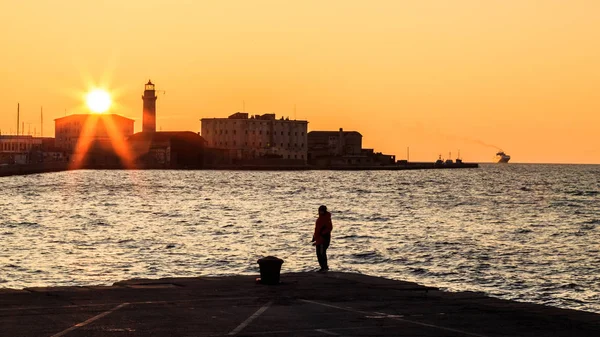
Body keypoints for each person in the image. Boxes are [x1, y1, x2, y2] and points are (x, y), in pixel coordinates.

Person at [312, 205, 333, 272]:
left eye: (322, 211)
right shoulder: (319, 219)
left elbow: (329, 228)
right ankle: (322, 267)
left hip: (324, 239)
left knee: (322, 253)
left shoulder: (326, 218)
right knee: (318, 254)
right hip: (318, 239)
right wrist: (314, 237)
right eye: (320, 211)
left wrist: (323, 234)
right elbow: (317, 229)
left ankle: (325, 267)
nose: (320, 212)